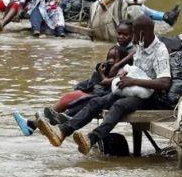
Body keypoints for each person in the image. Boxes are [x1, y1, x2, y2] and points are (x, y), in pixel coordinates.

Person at [36, 14, 172, 154]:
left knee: (119, 105)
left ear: (142, 33)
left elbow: (165, 82)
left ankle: (92, 139)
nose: (133, 38)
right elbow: (136, 68)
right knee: (97, 102)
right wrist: (125, 74)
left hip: (149, 97)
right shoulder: (141, 46)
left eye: (135, 34)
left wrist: (133, 81)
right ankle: (62, 131)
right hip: (131, 89)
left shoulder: (160, 51)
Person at [13, 43, 131, 137]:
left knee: (77, 99)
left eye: (114, 58)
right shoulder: (109, 67)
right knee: (69, 98)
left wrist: (103, 74)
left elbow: (106, 83)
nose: (111, 60)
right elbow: (100, 78)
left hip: (103, 96)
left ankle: (39, 124)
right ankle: (35, 124)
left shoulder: (124, 70)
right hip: (97, 93)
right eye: (109, 57)